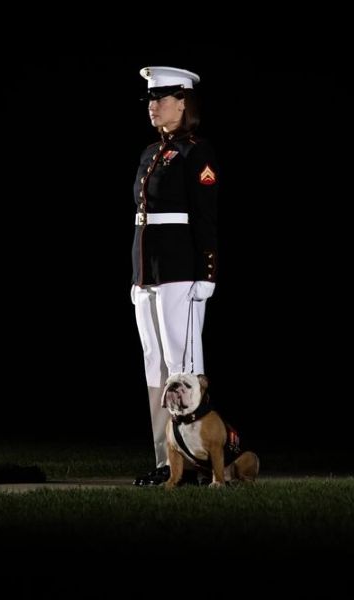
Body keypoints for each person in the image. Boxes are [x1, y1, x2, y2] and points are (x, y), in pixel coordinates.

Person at [130, 66, 219, 486]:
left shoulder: (195, 152)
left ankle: (196, 463)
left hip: (181, 273)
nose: (153, 106)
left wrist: (207, 271)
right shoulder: (151, 153)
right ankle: (167, 462)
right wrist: (137, 276)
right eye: (150, 99)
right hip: (149, 272)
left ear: (183, 103)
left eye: (161, 99)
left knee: (182, 367)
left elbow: (205, 215)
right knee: (155, 369)